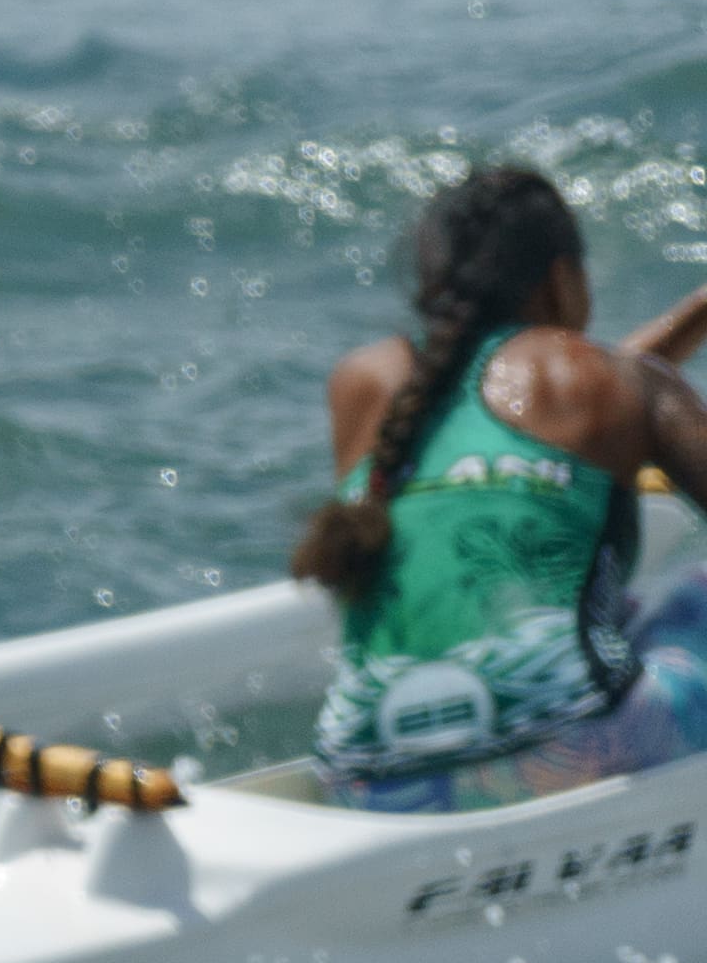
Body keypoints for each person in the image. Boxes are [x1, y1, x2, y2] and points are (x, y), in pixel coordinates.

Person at [296, 161, 707, 812]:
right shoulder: (617, 382)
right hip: (578, 750)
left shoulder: (362, 383)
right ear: (560, 278)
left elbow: (535, 403)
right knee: (692, 598)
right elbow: (608, 383)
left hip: (368, 781)